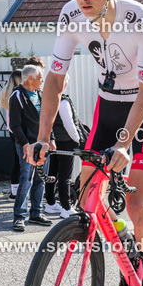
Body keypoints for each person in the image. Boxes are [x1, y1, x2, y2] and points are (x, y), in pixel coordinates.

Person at [29, 0, 143, 286]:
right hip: (108, 105)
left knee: (139, 204)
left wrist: (125, 144)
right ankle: (125, 237)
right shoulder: (70, 15)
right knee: (88, 196)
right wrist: (44, 136)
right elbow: (55, 79)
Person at [10, 65, 52, 232]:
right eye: (40, 77)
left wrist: (51, 139)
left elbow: (48, 120)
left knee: (40, 178)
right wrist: (25, 144)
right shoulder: (17, 96)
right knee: (26, 179)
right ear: (30, 79)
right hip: (26, 144)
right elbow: (15, 125)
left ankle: (36, 213)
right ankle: (19, 217)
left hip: (42, 144)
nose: (42, 80)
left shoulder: (40, 94)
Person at [44, 74, 83, 219]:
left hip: (54, 141)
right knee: (65, 175)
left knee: (52, 173)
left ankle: (50, 202)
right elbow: (69, 124)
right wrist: (77, 139)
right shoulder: (63, 100)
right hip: (66, 141)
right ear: (64, 84)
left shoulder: (48, 98)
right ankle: (66, 207)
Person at [0, 69, 23, 198]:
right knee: (22, 161)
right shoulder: (18, 93)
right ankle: (18, 190)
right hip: (18, 130)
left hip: (11, 129)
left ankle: (14, 190)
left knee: (16, 160)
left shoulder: (6, 91)